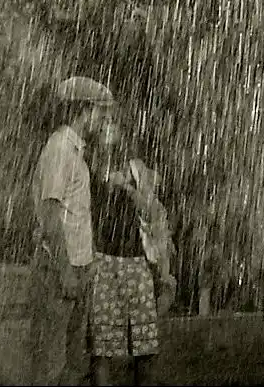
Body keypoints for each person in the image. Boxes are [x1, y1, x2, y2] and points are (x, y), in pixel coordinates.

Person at [30, 76, 117, 385]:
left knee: (72, 364)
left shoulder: (76, 152)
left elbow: (76, 215)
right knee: (51, 364)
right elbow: (51, 215)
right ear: (84, 110)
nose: (104, 119)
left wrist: (87, 262)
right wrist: (65, 269)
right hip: (59, 269)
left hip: (77, 268)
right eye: (100, 111)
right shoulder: (60, 150)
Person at [87, 127, 176, 387]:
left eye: (113, 128)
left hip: (136, 262)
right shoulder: (88, 168)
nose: (108, 133)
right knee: (102, 347)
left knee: (145, 345)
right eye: (103, 129)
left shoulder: (136, 169)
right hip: (102, 261)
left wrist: (126, 187)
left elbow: (151, 210)